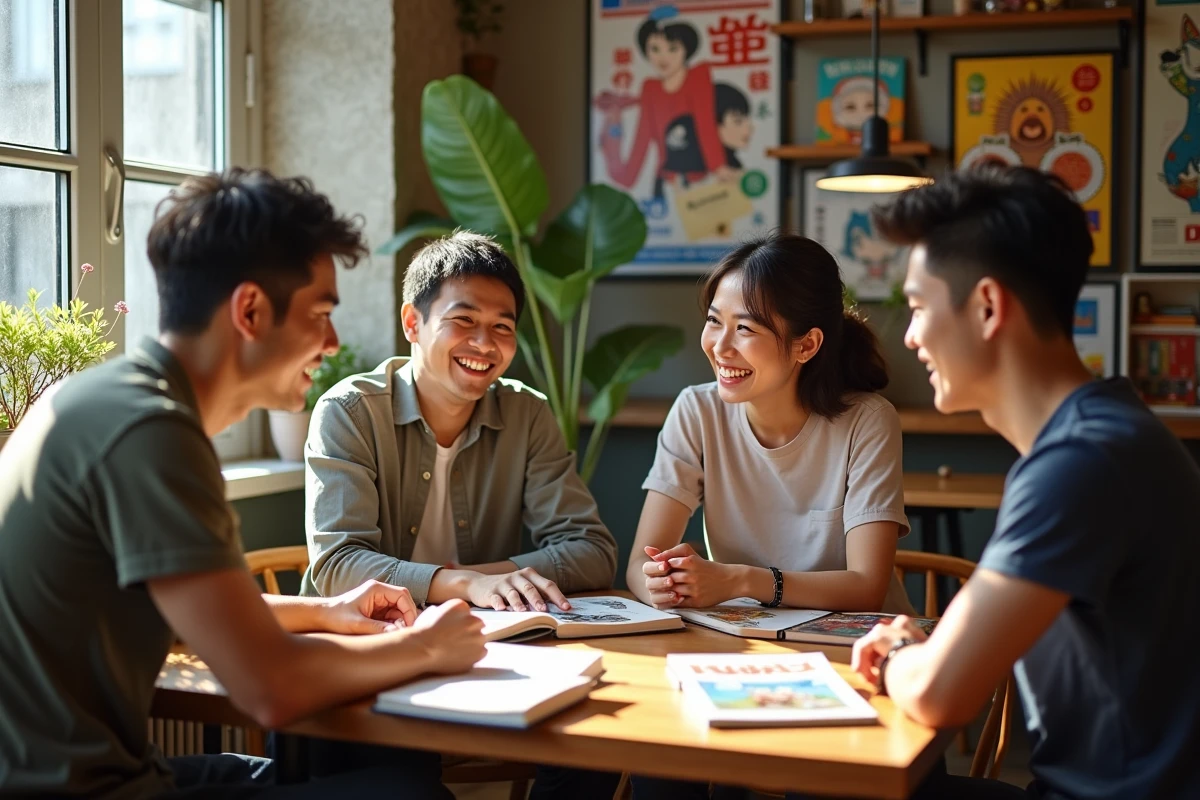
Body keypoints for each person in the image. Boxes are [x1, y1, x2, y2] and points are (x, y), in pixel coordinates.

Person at [0, 168, 487, 798]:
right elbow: (271, 689)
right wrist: (428, 649)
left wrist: (326, 610)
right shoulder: (150, 433)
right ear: (251, 311)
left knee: (345, 775)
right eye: (320, 313)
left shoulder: (94, 398)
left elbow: (170, 612)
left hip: (99, 775)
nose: (333, 341)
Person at [853, 166, 1200, 799]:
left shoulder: (1082, 462)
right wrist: (919, 646)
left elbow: (938, 694)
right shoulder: (1098, 435)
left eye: (919, 306)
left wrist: (900, 658)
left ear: (987, 307)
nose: (910, 336)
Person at [299, 230, 618, 797]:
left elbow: (590, 550)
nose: (484, 342)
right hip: (369, 655)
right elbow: (338, 565)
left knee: (598, 741)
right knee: (404, 780)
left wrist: (486, 583)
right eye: (463, 320)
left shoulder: (526, 414)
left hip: (480, 653)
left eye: (503, 327)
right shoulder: (349, 411)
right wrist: (462, 583)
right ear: (413, 323)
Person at [624, 232, 913, 799]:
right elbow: (639, 561)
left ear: (806, 346)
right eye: (715, 321)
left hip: (852, 660)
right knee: (661, 759)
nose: (719, 346)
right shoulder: (696, 410)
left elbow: (867, 587)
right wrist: (661, 580)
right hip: (745, 656)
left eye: (747, 329)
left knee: (815, 777)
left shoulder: (867, 422)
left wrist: (738, 581)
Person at [595, 5, 732, 200]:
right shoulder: (650, 88)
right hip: (668, 182)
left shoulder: (698, 77)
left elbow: (705, 124)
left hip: (703, 179)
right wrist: (623, 169)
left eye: (673, 48)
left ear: (687, 49)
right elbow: (642, 138)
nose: (662, 57)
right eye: (655, 49)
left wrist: (718, 166)